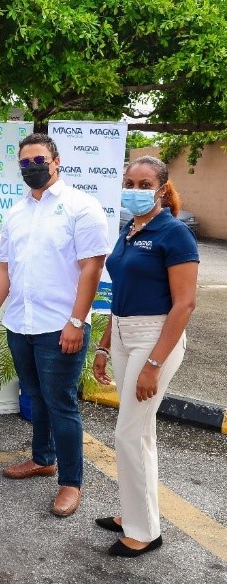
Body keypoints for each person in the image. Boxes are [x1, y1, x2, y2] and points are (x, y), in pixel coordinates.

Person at [0, 133, 110, 517]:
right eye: (25, 163)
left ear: (56, 161)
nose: (32, 168)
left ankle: (71, 483)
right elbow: (5, 268)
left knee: (62, 404)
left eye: (39, 160)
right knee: (36, 398)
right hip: (21, 323)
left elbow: (93, 267)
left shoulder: (81, 207)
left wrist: (76, 321)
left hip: (61, 326)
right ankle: (43, 458)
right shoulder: (16, 212)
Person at [92, 156, 198, 557]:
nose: (133, 190)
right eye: (128, 182)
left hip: (155, 339)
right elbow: (119, 296)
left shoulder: (174, 233)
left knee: (129, 433)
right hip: (121, 332)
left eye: (143, 184)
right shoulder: (129, 230)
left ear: (160, 188)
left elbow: (185, 304)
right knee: (141, 434)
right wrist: (104, 344)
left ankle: (144, 531)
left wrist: (154, 363)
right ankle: (134, 511)